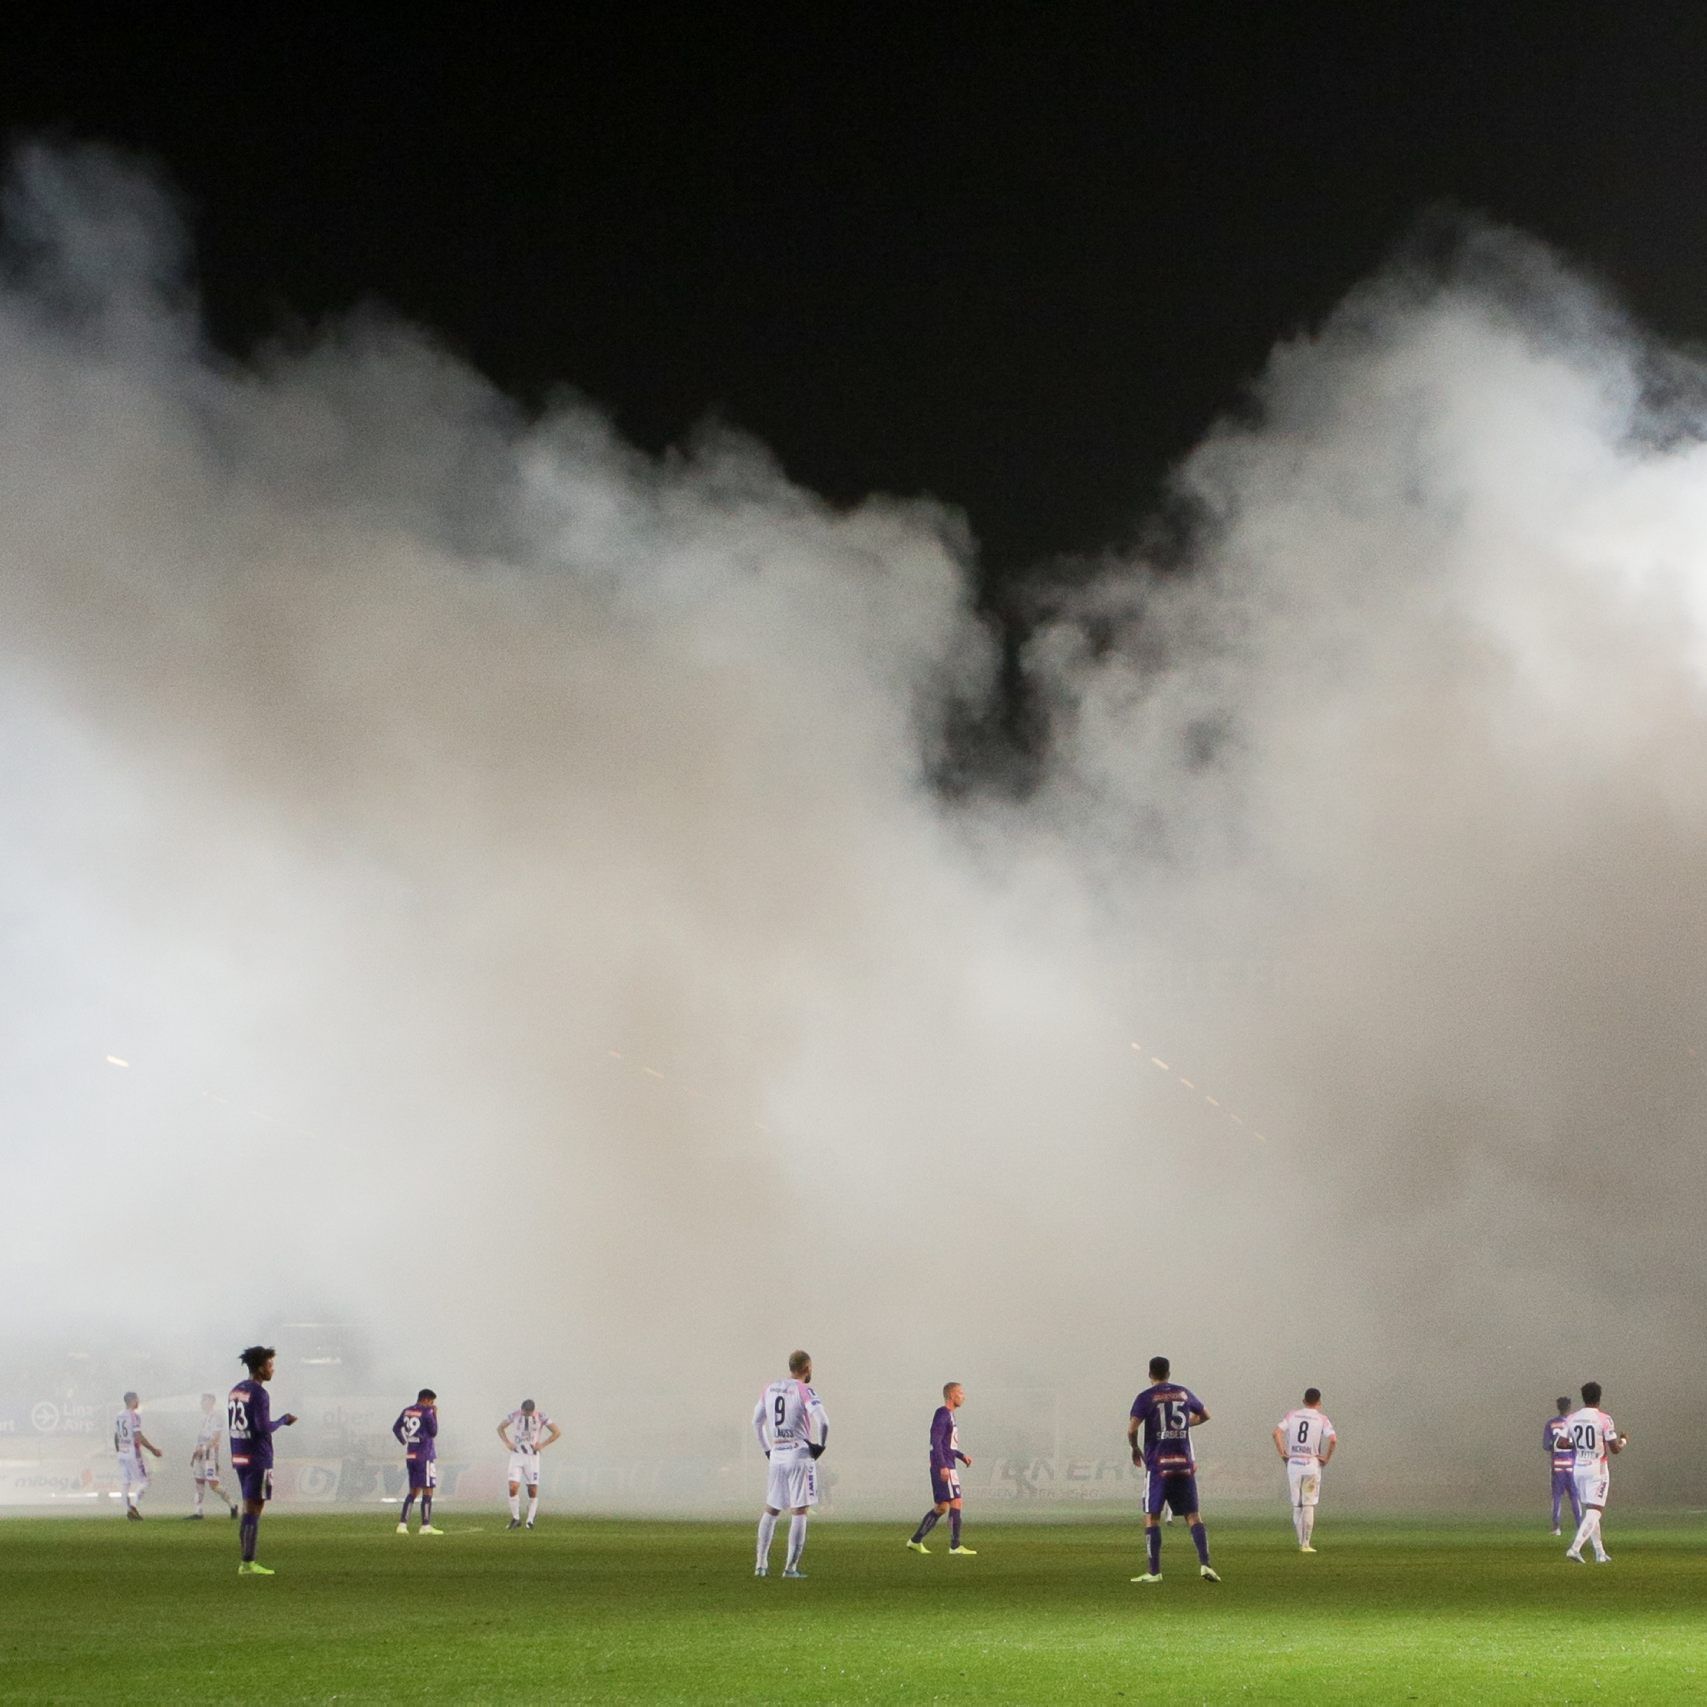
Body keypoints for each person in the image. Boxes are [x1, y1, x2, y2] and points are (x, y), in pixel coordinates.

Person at [1127, 1355, 1218, 1584]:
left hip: (1159, 1465)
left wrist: (1135, 1447)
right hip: (1183, 1463)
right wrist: (1186, 1424)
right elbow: (1206, 1415)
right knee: (1193, 1515)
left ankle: (1154, 1571)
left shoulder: (1146, 1397)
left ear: (1150, 1374)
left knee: (1152, 1517)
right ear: (1168, 1373)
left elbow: (1131, 1429)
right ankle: (1205, 1565)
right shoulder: (1183, 1393)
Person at [753, 1349, 828, 1579]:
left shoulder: (770, 1388)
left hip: (777, 1452)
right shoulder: (804, 1390)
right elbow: (823, 1422)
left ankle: (761, 1565)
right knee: (799, 1511)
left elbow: (757, 1422)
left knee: (772, 1508)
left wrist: (768, 1449)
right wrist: (819, 1447)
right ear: (807, 1368)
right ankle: (790, 1568)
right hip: (798, 1452)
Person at [229, 1346, 298, 1575]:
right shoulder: (259, 1393)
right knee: (254, 1509)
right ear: (259, 1368)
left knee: (249, 1507)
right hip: (258, 1457)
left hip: (239, 1454)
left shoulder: (236, 1390)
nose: (272, 1370)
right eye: (270, 1365)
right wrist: (283, 1420)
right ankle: (248, 1562)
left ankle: (245, 1561)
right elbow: (263, 1427)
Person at [1558, 1381, 1627, 1564]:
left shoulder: (1572, 1418)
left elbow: (1561, 1443)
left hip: (1579, 1468)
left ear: (1583, 1397)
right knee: (1596, 1511)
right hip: (1597, 1468)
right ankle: (1575, 1548)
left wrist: (1579, 1445)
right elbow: (1615, 1449)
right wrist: (1623, 1441)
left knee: (1590, 1510)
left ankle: (1600, 1553)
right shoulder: (1604, 1419)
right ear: (1599, 1397)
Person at [906, 1382, 976, 1555]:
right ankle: (955, 1546)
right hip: (945, 1466)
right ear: (951, 1395)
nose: (963, 1396)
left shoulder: (950, 1415)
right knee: (956, 1501)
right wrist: (943, 1465)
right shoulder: (942, 1413)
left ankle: (915, 1541)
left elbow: (946, 1445)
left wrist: (961, 1456)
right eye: (960, 1392)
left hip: (946, 1462)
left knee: (942, 1507)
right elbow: (935, 1441)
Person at [1273, 1387, 1336, 1552]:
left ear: (1303, 1401)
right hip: (1311, 1463)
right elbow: (1333, 1439)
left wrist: (1282, 1453)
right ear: (1319, 1402)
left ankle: (1300, 1540)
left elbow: (1276, 1432)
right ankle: (1306, 1544)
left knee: (1297, 1504)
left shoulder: (1292, 1415)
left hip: (1293, 1463)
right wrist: (1326, 1458)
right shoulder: (1322, 1419)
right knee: (1309, 1503)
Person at [498, 1399, 561, 1530]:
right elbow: (500, 1428)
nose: (525, 1414)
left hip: (532, 1458)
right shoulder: (515, 1415)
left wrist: (542, 1444)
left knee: (532, 1490)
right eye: (524, 1412)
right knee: (513, 1487)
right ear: (522, 1409)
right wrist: (507, 1443)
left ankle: (530, 1520)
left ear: (532, 1411)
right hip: (516, 1456)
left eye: (527, 1413)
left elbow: (557, 1432)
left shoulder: (541, 1416)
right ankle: (516, 1519)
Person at [393, 1389, 442, 1534]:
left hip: (411, 1455)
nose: (432, 1405)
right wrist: (434, 1415)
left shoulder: (407, 1411)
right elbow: (433, 1432)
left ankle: (402, 1525)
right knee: (428, 1489)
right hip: (425, 1455)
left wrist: (404, 1441)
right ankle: (425, 1525)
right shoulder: (427, 1412)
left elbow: (396, 1428)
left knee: (413, 1491)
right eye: (432, 1402)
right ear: (426, 1400)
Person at [114, 1391, 163, 1520]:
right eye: (137, 1400)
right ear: (133, 1400)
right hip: (131, 1452)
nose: (138, 1402)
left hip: (122, 1452)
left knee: (125, 1482)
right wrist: (153, 1449)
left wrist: (119, 1450)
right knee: (145, 1481)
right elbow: (138, 1436)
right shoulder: (134, 1416)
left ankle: (128, 1511)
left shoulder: (119, 1416)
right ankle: (133, 1507)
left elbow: (116, 1436)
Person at [190, 1391, 239, 1519]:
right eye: (201, 1401)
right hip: (199, 1455)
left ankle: (233, 1505)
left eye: (204, 1400)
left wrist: (205, 1448)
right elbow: (199, 1437)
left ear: (211, 1402)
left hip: (209, 1455)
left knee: (214, 1484)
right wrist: (196, 1450)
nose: (201, 1403)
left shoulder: (217, 1417)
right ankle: (198, 1512)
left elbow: (216, 1438)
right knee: (199, 1482)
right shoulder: (203, 1418)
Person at [1544, 1396, 1582, 1537]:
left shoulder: (1551, 1424)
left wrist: (1556, 1447)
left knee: (1557, 1497)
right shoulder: (1574, 1423)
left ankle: (1556, 1528)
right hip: (1572, 1466)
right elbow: (1578, 1444)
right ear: (1569, 1407)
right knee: (1575, 1496)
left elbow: (1546, 1445)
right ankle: (1580, 1526)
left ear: (1557, 1407)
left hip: (1557, 1466)